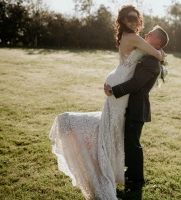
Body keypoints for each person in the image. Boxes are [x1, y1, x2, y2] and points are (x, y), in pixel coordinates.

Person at [49, 5, 165, 200]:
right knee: (110, 128)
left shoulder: (126, 37)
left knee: (111, 127)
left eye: (136, 17)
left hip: (118, 82)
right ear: (122, 20)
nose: (133, 21)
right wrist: (162, 56)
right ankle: (104, 169)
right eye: (129, 17)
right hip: (119, 87)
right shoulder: (134, 38)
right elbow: (158, 54)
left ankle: (109, 166)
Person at [104, 25, 169, 192]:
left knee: (133, 143)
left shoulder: (152, 62)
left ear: (157, 41)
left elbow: (136, 84)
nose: (146, 34)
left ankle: (137, 180)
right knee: (129, 141)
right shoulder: (148, 57)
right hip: (132, 105)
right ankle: (130, 173)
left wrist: (114, 90)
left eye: (150, 34)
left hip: (137, 107)